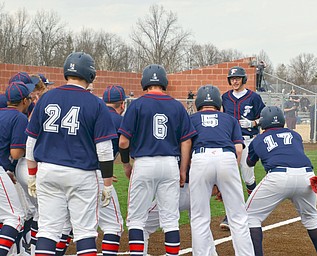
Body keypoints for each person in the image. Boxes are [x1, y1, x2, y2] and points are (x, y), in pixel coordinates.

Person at [25, 52, 117, 255]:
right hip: (81, 173)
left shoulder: (47, 97)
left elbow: (31, 142)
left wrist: (32, 175)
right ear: (90, 74)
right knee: (84, 232)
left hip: (47, 171)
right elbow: (104, 150)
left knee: (48, 230)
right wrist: (107, 184)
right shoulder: (96, 103)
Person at [118, 64, 197, 255]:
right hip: (170, 163)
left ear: (145, 82)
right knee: (170, 220)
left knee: (136, 220)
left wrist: (126, 164)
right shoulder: (177, 105)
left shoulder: (136, 104)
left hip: (144, 163)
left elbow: (122, 142)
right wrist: (183, 170)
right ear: (164, 82)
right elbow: (186, 141)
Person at [188, 85, 254, 256]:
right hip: (227, 158)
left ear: (198, 103)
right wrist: (228, 178)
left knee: (200, 218)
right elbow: (238, 149)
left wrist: (184, 170)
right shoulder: (229, 119)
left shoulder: (191, 119)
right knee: (238, 218)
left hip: (200, 158)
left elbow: (185, 146)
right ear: (218, 103)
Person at [246, 106, 317, 256]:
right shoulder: (295, 135)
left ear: (263, 122)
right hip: (307, 176)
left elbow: (249, 162)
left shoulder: (258, 139)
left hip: (278, 176)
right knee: (312, 217)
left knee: (250, 217)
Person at [221, 66, 265, 230]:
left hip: (248, 140)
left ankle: (253, 210)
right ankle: (230, 214)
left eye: (238, 78)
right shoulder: (225, 97)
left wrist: (254, 123)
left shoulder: (254, 97)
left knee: (247, 177)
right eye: (232, 78)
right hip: (230, 141)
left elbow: (265, 116)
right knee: (230, 179)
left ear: (243, 79)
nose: (235, 81)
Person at [0, 81, 34, 256]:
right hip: (1, 169)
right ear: (24, 100)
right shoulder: (19, 117)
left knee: (4, 215)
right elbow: (15, 153)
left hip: (3, 171)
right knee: (16, 217)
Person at [99, 85, 127, 254]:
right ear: (122, 104)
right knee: (113, 226)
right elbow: (125, 144)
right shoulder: (120, 121)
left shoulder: (92, 115)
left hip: (72, 171)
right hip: (97, 176)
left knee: (65, 227)